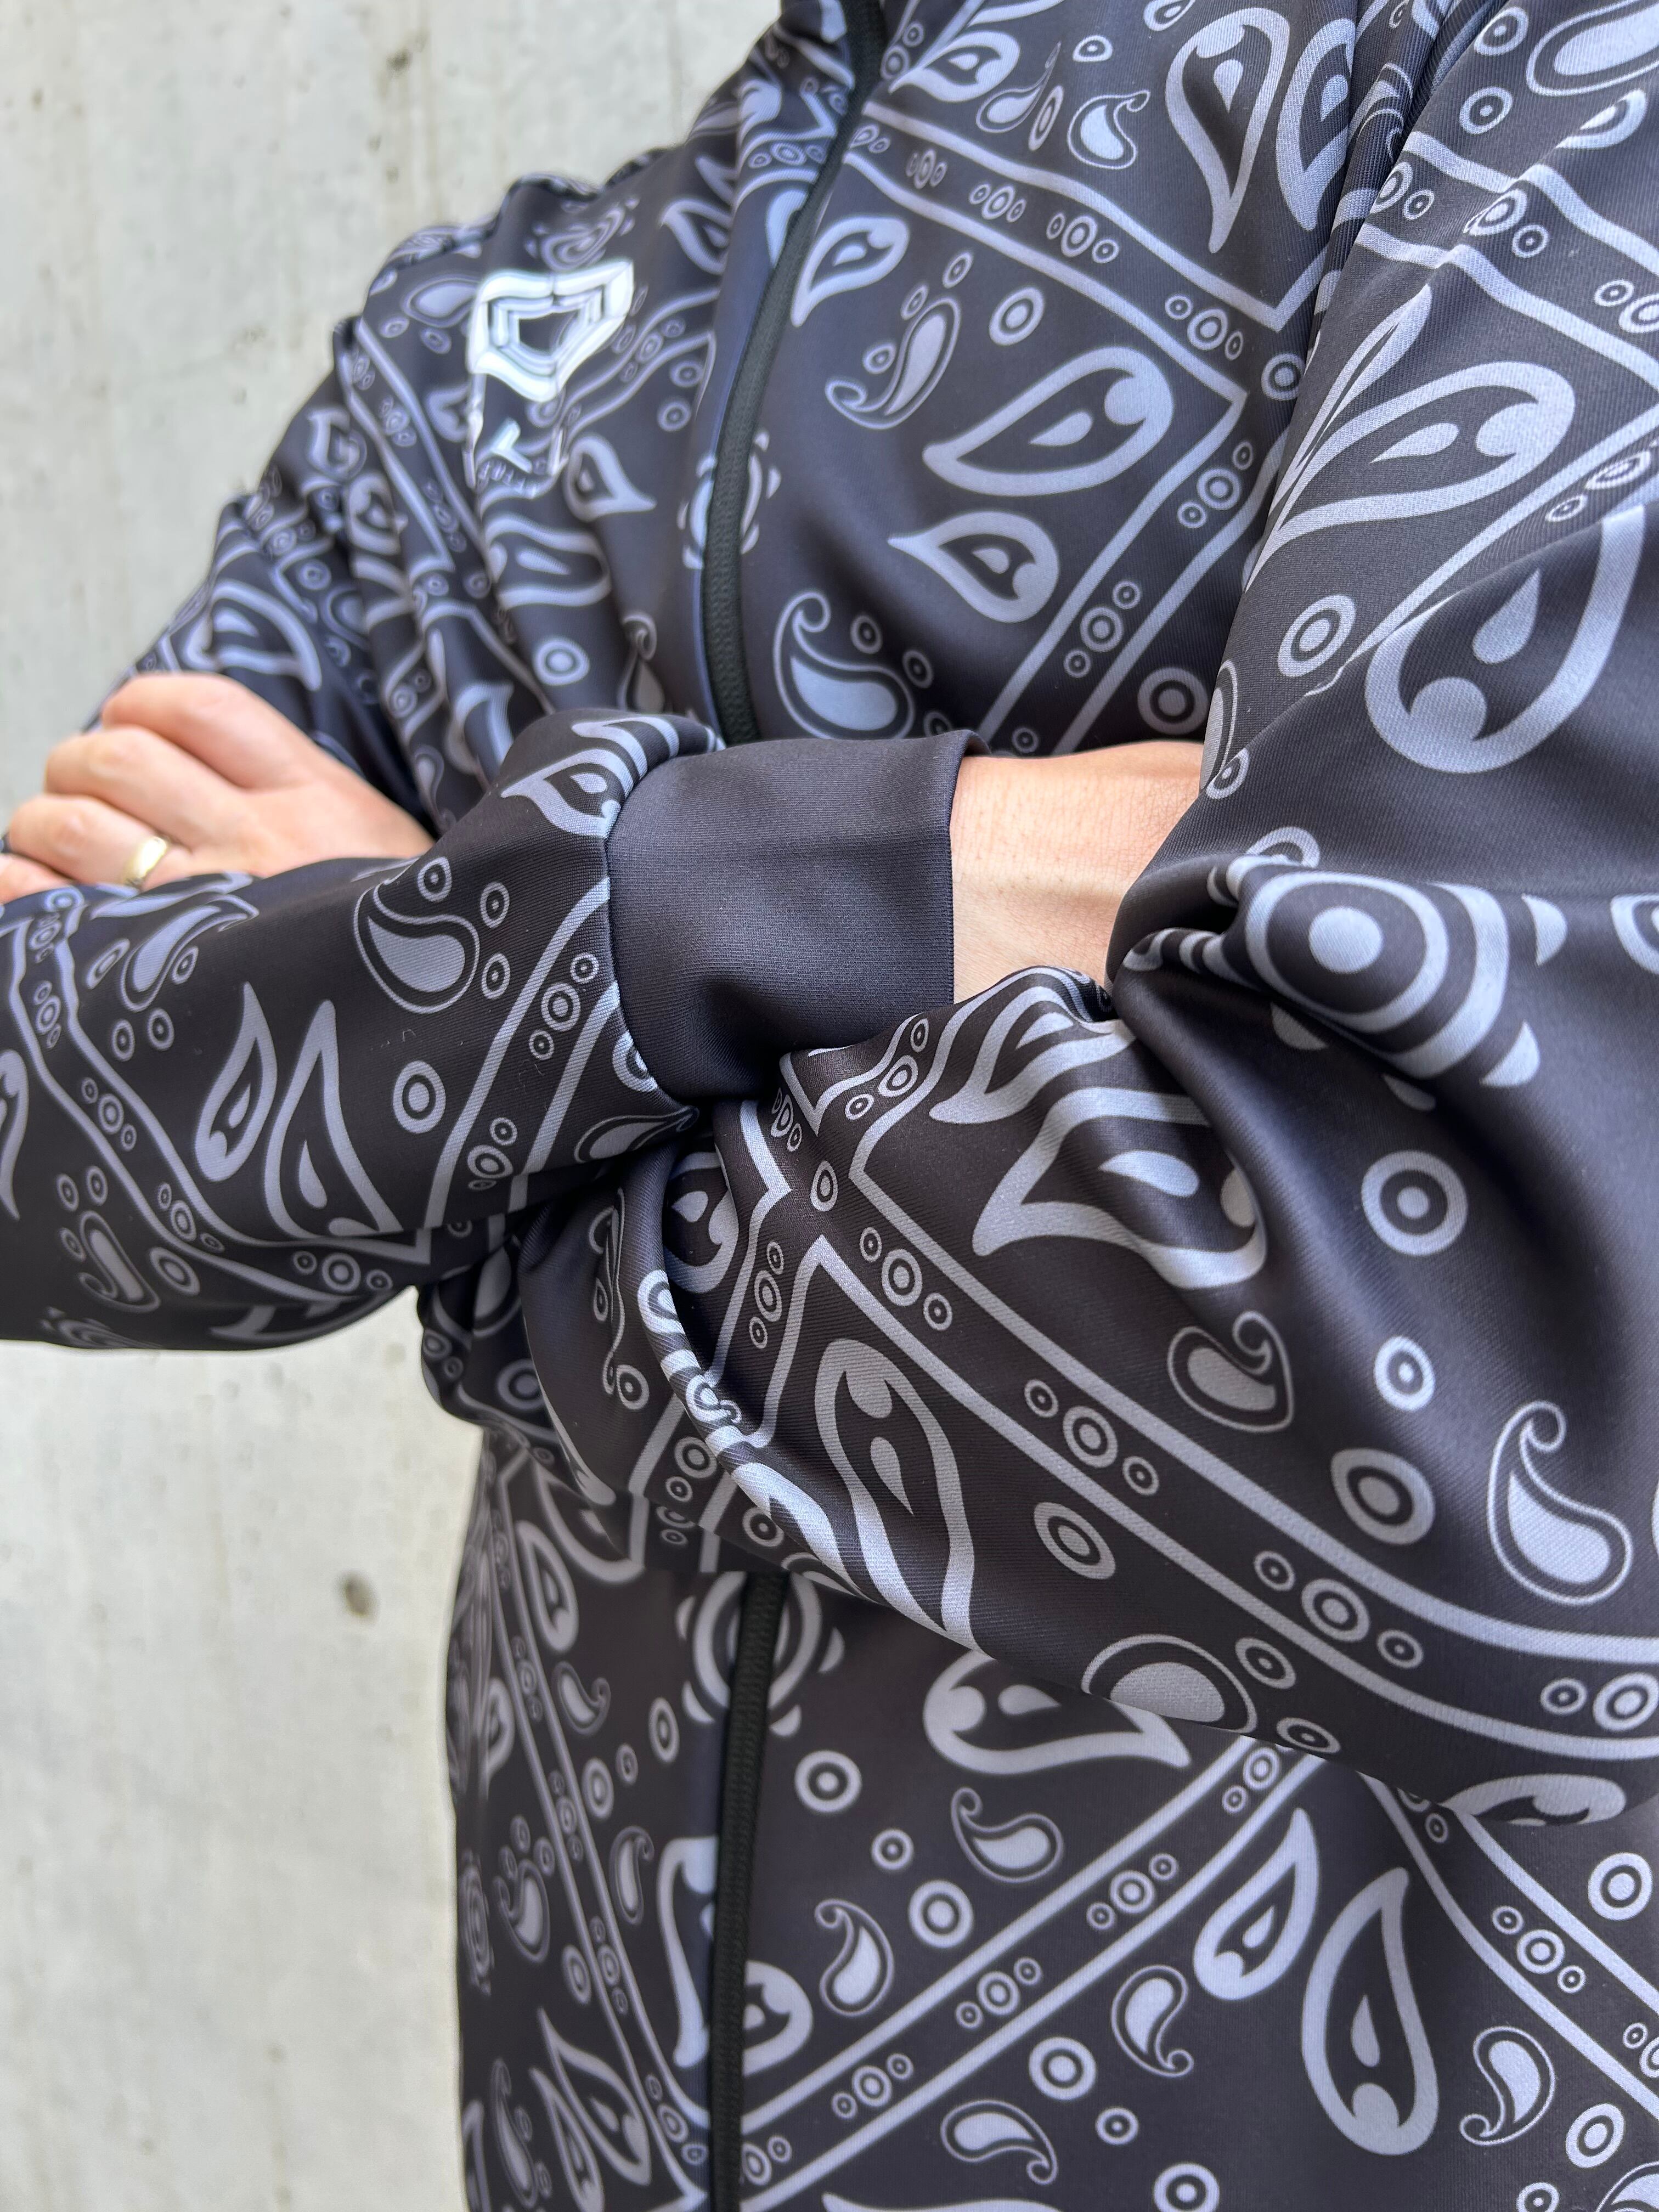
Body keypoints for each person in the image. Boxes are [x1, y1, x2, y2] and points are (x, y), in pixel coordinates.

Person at [5, 0, 1659, 2203]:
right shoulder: (473, 353)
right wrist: (889, 881)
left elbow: (1476, 1425)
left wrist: (453, 1049)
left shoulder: (1541, 93)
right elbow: (36, 1120)